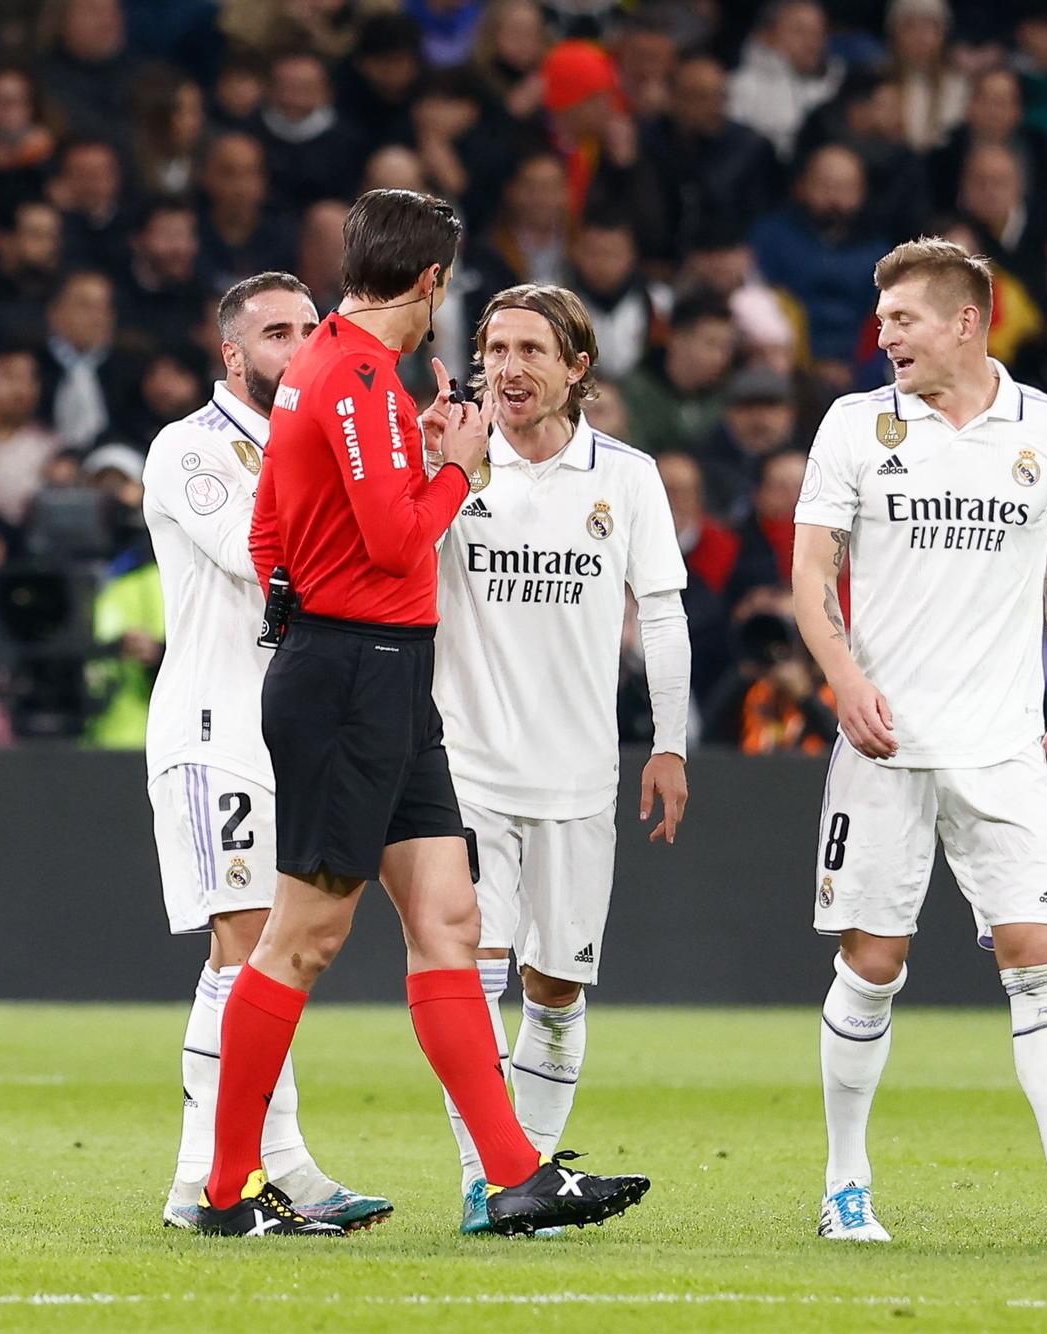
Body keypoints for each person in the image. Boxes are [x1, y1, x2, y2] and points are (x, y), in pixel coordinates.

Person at [197, 188, 650, 1238]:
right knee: (301, 936)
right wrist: (458, 463)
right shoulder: (355, 377)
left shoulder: (340, 374)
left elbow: (271, 527)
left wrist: (311, 593)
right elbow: (403, 542)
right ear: (433, 281)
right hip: (354, 674)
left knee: (447, 918)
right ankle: (223, 1191)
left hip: (379, 672)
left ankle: (512, 1174)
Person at [790, 237, 1047, 1246]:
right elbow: (810, 571)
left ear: (964, 321)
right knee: (873, 958)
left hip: (998, 745)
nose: (881, 335)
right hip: (884, 745)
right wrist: (843, 680)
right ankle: (844, 1183)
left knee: (1036, 954)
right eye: (880, 319)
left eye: (901, 319)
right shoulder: (855, 424)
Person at [431, 283, 690, 1232]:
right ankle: (486, 1178)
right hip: (466, 768)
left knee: (556, 987)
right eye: (495, 347)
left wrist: (669, 742)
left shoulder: (626, 476)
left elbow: (661, 612)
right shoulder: (458, 470)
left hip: (581, 774)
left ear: (577, 367)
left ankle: (528, 1170)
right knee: (471, 971)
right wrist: (432, 470)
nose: (507, 367)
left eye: (531, 350)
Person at [141, 272, 389, 1231]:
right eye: (275, 333)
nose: (298, 345)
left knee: (277, 960)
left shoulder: (326, 443)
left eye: (309, 328)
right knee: (244, 952)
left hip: (297, 735)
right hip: (217, 733)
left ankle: (281, 1166)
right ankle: (202, 1185)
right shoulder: (191, 451)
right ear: (233, 355)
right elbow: (280, 562)